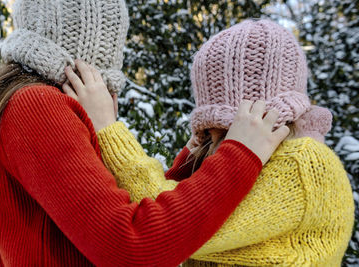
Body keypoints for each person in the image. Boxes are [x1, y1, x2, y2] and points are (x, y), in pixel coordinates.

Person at [0, 1, 289, 267]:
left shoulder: (15, 102)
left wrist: (187, 168)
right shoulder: (38, 105)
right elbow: (134, 244)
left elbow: (102, 218)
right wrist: (241, 155)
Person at [65, 20, 355, 266]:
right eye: (209, 134)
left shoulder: (302, 162)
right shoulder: (266, 157)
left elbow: (168, 227)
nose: (216, 147)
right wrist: (190, 158)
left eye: (226, 131)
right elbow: (177, 199)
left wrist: (107, 128)